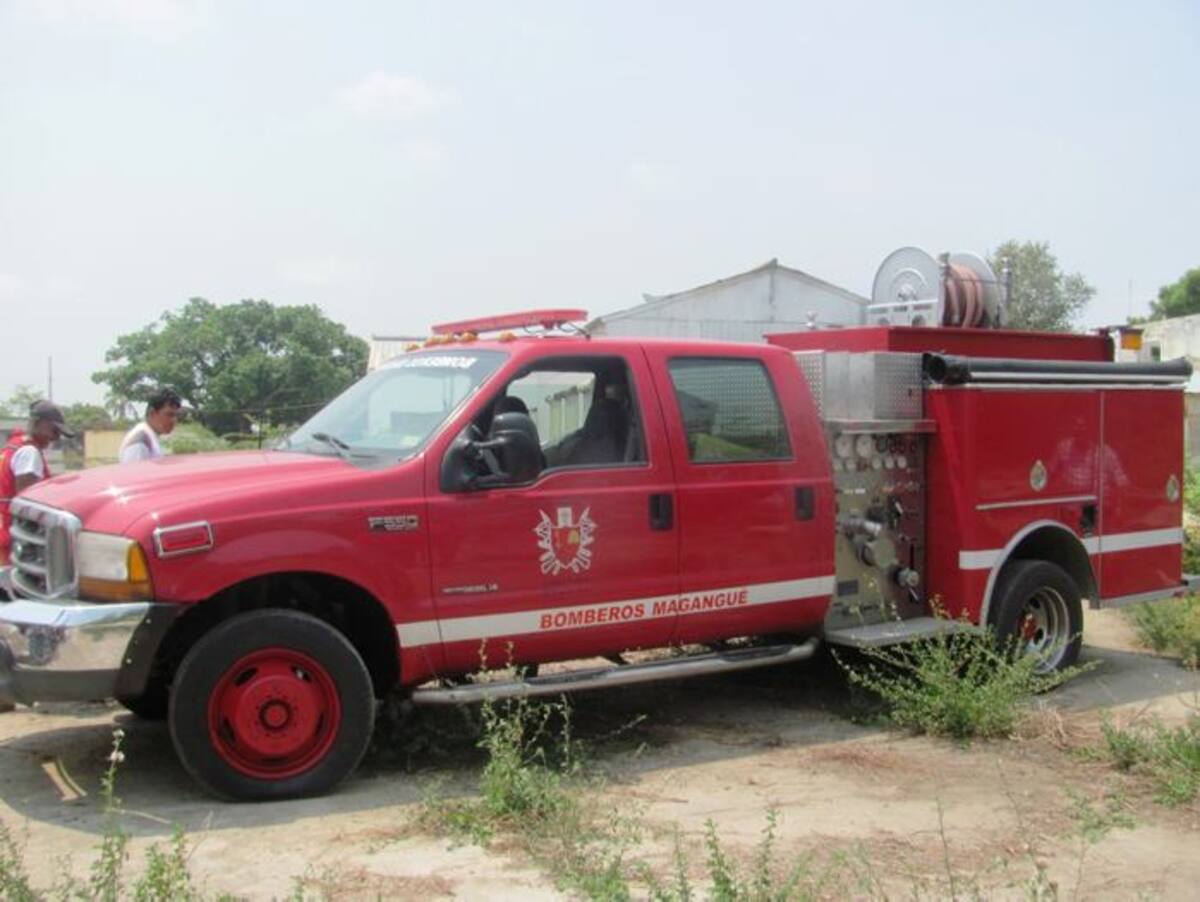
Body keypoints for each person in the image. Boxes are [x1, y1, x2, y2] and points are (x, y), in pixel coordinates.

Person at [1, 400, 75, 565]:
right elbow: (28, 505)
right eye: (54, 430)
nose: (56, 437)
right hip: (15, 537)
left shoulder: (12, 446)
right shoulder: (29, 452)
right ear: (37, 423)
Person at [119, 388, 182, 463]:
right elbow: (134, 473)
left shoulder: (150, 437)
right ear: (152, 413)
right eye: (169, 415)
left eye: (176, 415)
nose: (174, 420)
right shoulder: (140, 442)